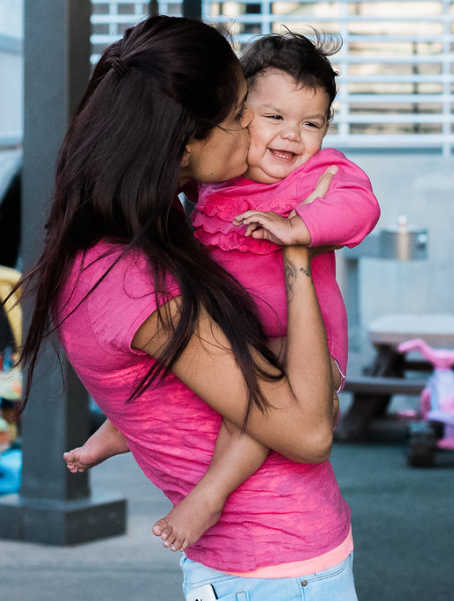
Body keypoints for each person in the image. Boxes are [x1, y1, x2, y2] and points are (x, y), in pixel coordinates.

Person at [15, 17, 359, 600]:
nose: (254, 126)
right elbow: (307, 431)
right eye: (237, 117)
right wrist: (298, 252)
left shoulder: (144, 229)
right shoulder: (134, 282)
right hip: (272, 569)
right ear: (184, 144)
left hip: (278, 562)